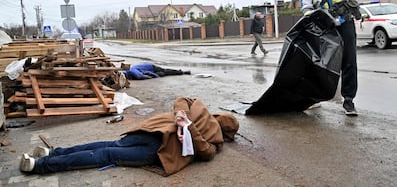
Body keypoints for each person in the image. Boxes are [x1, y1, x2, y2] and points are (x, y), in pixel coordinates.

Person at [19, 97, 239, 176]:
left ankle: (50, 154)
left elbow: (182, 101)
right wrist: (184, 122)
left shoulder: (200, 109)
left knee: (108, 146)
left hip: (151, 134)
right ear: (227, 133)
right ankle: (40, 165)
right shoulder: (210, 126)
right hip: (155, 146)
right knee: (107, 153)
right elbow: (206, 153)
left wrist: (185, 121)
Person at [300, 0, 387, 115]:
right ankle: (315, 97)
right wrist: (312, 19)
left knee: (349, 60)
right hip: (324, 25)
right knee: (321, 62)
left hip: (345, 20)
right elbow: (307, 6)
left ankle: (348, 100)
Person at [123, 62, 191, 80]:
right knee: (164, 73)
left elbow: (140, 76)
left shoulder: (131, 70)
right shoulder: (130, 72)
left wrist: (151, 77)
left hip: (151, 67)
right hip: (150, 71)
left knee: (166, 71)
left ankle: (182, 72)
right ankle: (179, 72)